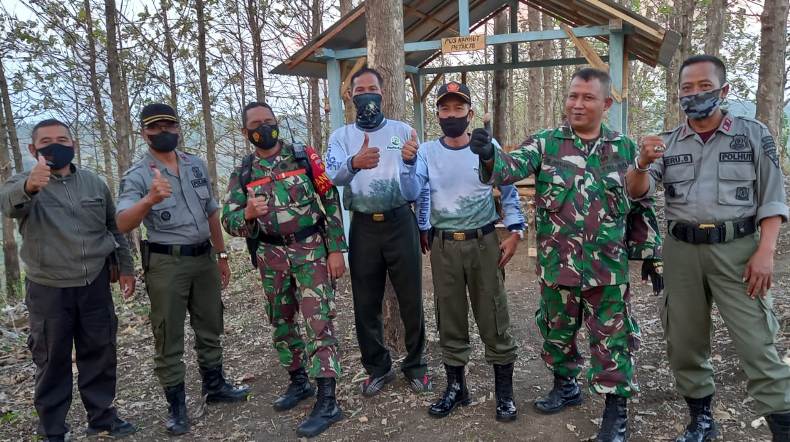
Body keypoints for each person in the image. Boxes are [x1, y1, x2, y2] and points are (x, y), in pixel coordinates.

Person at [472, 68, 662, 442]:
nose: (577, 104)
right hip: (558, 266)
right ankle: (566, 385)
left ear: (605, 103)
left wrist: (652, 255)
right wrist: (488, 153)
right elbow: (509, 169)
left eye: (587, 97)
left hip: (607, 270)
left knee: (612, 340)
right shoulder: (545, 143)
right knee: (557, 333)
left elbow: (641, 204)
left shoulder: (624, 149)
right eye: (572, 96)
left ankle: (615, 410)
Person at [625, 54, 790, 442]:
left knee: (757, 345)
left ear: (724, 90)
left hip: (739, 251)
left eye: (704, 87)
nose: (695, 94)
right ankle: (700, 419)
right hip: (681, 253)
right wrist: (642, 162)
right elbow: (638, 191)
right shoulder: (666, 142)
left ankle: (782, 427)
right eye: (686, 88)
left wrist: (765, 252)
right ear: (678, 94)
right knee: (683, 342)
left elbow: (772, 199)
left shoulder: (753, 134)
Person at [116, 103, 249, 436]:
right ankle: (176, 407)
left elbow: (211, 212)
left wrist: (221, 256)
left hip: (203, 258)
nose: (163, 132)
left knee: (210, 323)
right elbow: (121, 223)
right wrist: (148, 200)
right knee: (168, 334)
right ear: (143, 133)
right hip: (166, 262)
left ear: (178, 128)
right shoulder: (138, 175)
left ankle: (215, 385)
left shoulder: (195, 165)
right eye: (155, 127)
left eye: (169, 126)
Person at [0, 119, 136, 441]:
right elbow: (6, 204)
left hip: (95, 285)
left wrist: (126, 267)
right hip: (49, 290)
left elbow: (113, 228)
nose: (55, 145)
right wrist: (30, 186)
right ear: (33, 150)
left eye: (62, 139)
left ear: (73, 146)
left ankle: (102, 418)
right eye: (46, 141)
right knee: (51, 360)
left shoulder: (93, 183)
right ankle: (52, 430)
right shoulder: (23, 183)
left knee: (100, 353)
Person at [400, 81, 526, 421]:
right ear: (438, 114)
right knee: (449, 315)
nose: (451, 115)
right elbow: (411, 191)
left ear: (470, 113)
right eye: (445, 109)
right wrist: (408, 163)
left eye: (459, 109)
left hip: (484, 242)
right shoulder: (426, 151)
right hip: (444, 245)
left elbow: (509, 190)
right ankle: (457, 388)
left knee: (493, 313)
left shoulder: (487, 145)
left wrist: (515, 232)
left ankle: (504, 393)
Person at [221, 102, 347, 438]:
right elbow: (228, 222)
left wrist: (336, 248)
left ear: (277, 123)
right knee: (282, 320)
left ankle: (328, 399)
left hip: (311, 252)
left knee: (318, 320)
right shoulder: (244, 173)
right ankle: (298, 381)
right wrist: (247, 214)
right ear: (246, 132)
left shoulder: (303, 156)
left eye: (269, 121)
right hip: (270, 256)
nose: (264, 127)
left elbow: (330, 198)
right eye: (256, 124)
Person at [325, 67, 432, 396]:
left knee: (411, 298)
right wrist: (355, 162)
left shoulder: (403, 132)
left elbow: (417, 187)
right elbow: (331, 177)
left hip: (401, 221)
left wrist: (412, 164)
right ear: (352, 96)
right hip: (363, 227)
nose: (367, 94)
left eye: (373, 88)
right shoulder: (341, 137)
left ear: (383, 94)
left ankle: (415, 366)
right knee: (365, 302)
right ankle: (377, 368)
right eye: (360, 90)